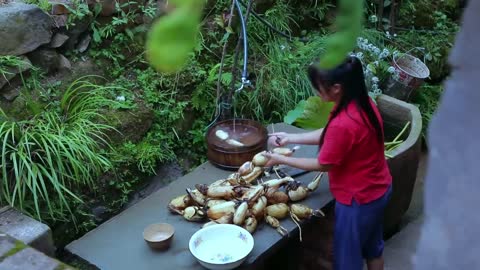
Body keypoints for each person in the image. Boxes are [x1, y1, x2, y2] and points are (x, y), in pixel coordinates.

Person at [262, 56, 393, 270]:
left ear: (336, 88)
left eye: (318, 86)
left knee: (347, 261)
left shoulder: (345, 122)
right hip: (379, 189)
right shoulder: (360, 102)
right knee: (373, 249)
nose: (315, 91)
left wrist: (280, 159)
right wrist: (291, 138)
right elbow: (331, 134)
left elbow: (324, 163)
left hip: (357, 201)